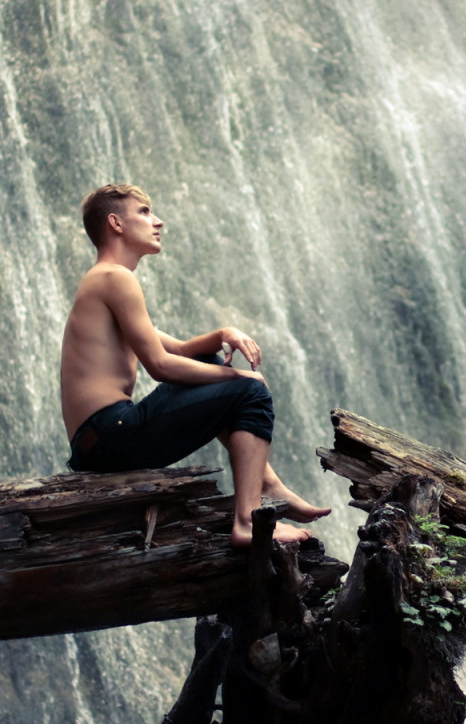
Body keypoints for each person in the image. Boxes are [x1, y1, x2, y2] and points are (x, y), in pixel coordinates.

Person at [60, 183, 330, 546]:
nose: (158, 221)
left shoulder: (105, 281)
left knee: (209, 362)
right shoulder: (115, 278)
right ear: (116, 223)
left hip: (99, 440)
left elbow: (183, 350)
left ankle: (266, 483)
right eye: (144, 211)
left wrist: (224, 332)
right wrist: (239, 376)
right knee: (251, 392)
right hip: (112, 434)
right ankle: (248, 521)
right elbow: (160, 365)